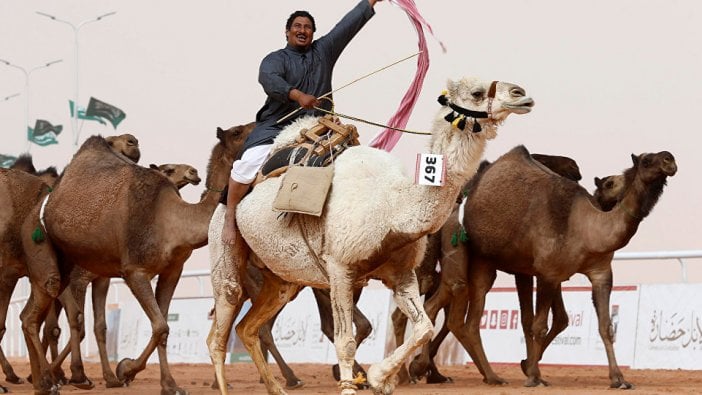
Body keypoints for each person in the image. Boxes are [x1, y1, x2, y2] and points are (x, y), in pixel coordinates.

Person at [222, 0, 381, 244]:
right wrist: (297, 96)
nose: (302, 30)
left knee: (357, 165)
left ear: (313, 33)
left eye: (307, 27)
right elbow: (268, 79)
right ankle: (230, 217)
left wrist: (371, 1)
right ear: (287, 32)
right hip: (278, 125)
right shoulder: (275, 59)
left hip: (320, 126)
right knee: (248, 165)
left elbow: (347, 26)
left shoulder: (324, 51)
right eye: (297, 26)